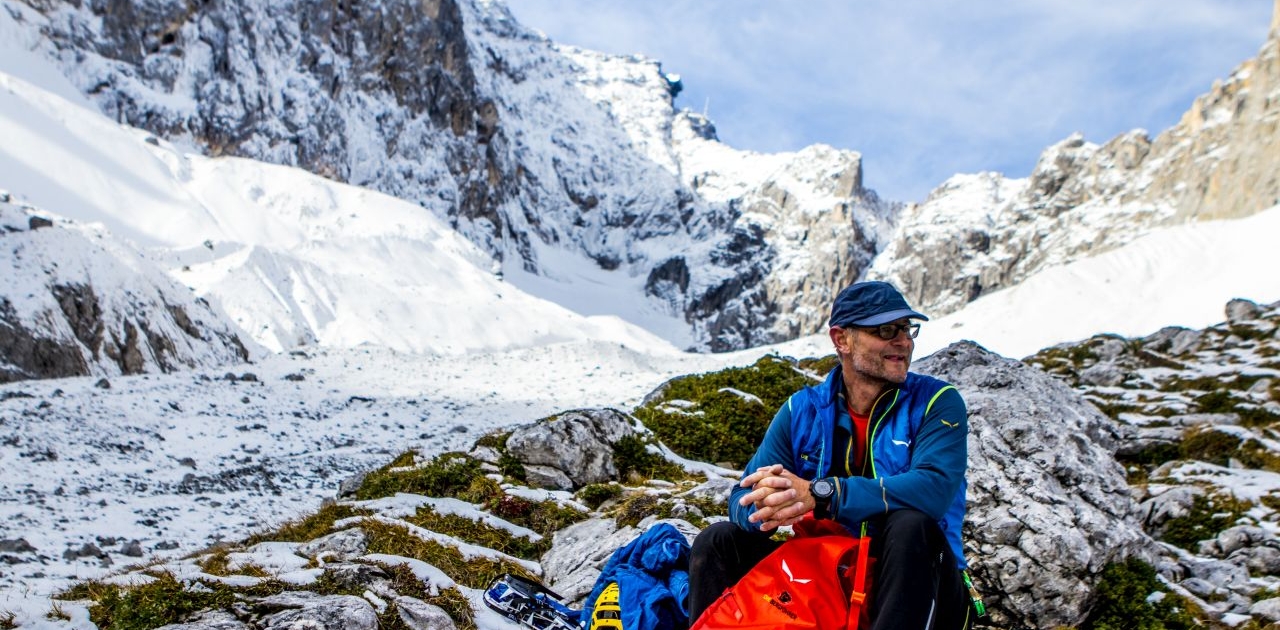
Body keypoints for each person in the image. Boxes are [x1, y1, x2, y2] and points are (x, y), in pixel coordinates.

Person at [688, 281, 973, 630]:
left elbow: (934, 490)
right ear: (841, 339)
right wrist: (768, 505)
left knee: (912, 526)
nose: (904, 341)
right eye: (886, 330)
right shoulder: (801, 410)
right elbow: (740, 498)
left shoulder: (936, 402)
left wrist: (823, 495)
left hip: (920, 585)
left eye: (907, 329)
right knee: (717, 542)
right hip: (828, 579)